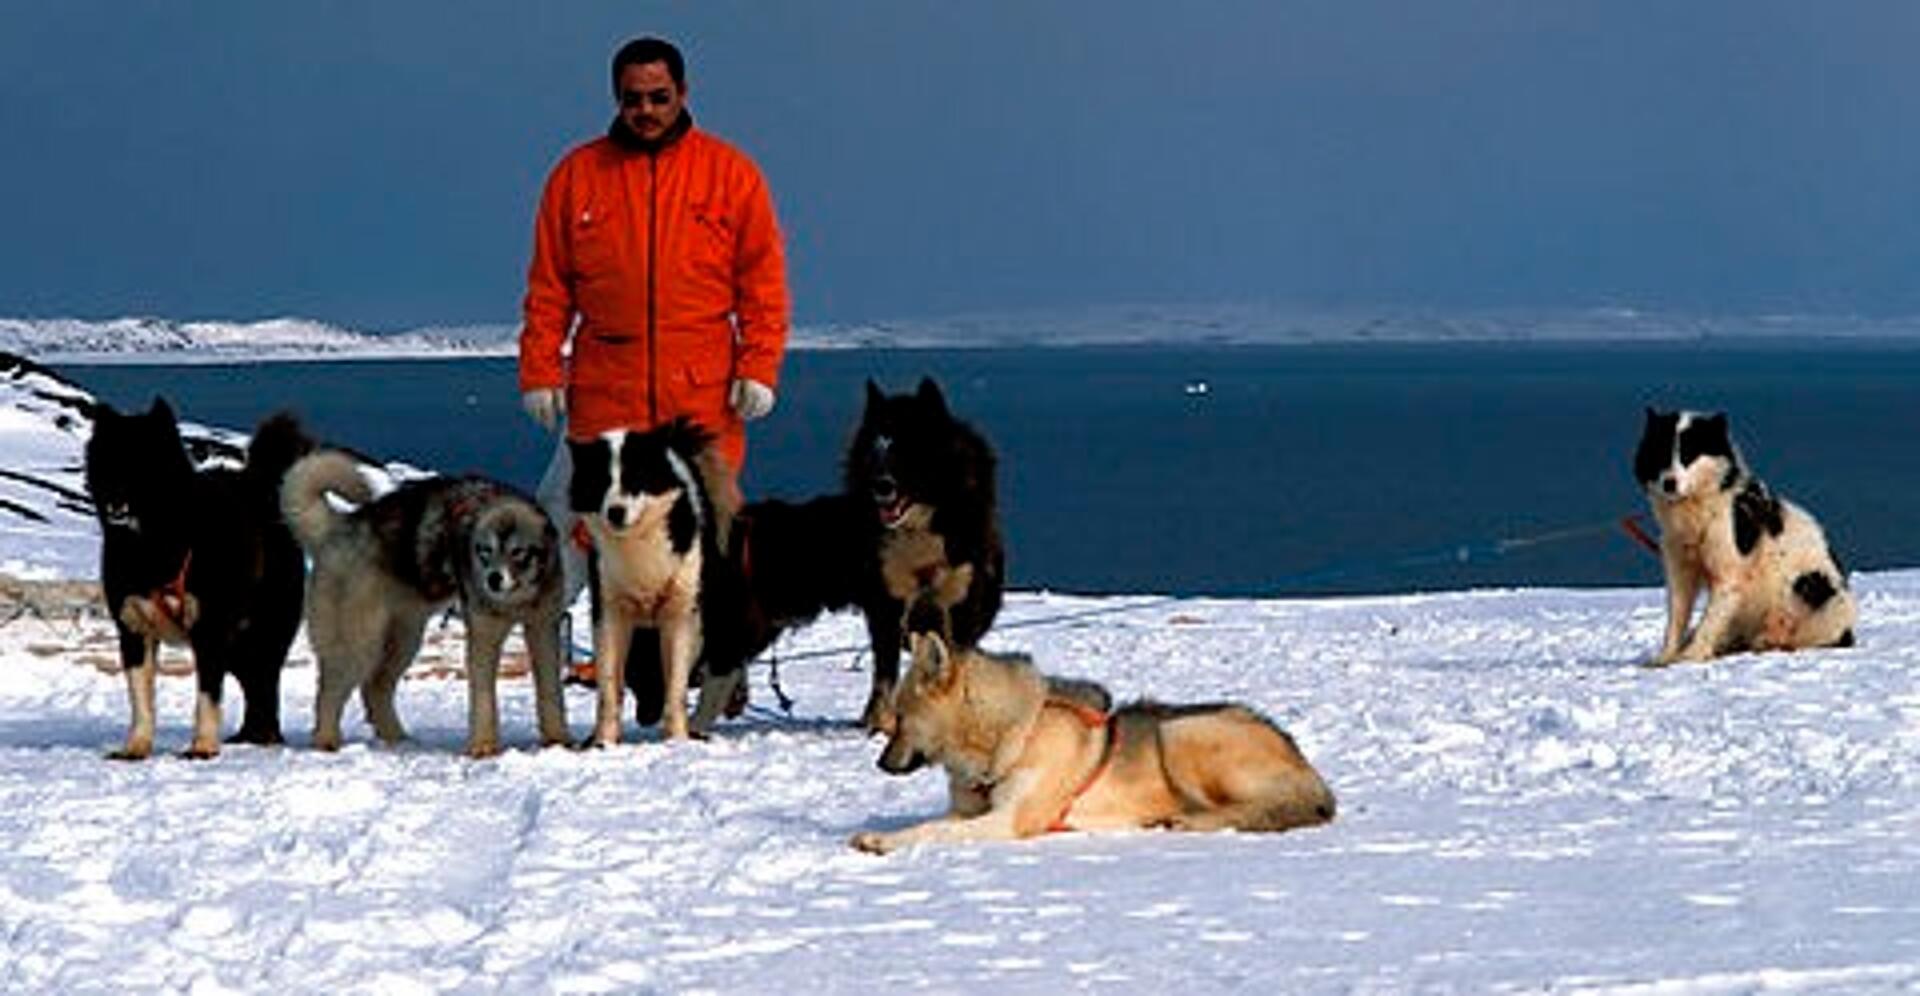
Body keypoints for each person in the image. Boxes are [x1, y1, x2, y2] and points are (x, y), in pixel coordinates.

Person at [518, 36, 791, 706]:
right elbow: (549, 286)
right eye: (633, 99)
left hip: (700, 397)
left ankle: (718, 675)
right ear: (616, 98)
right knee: (585, 541)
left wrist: (759, 365)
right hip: (605, 398)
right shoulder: (577, 177)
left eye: (658, 98)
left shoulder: (730, 175)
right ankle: (616, 687)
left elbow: (763, 281)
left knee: (708, 547)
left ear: (683, 94)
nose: (645, 110)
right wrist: (540, 370)